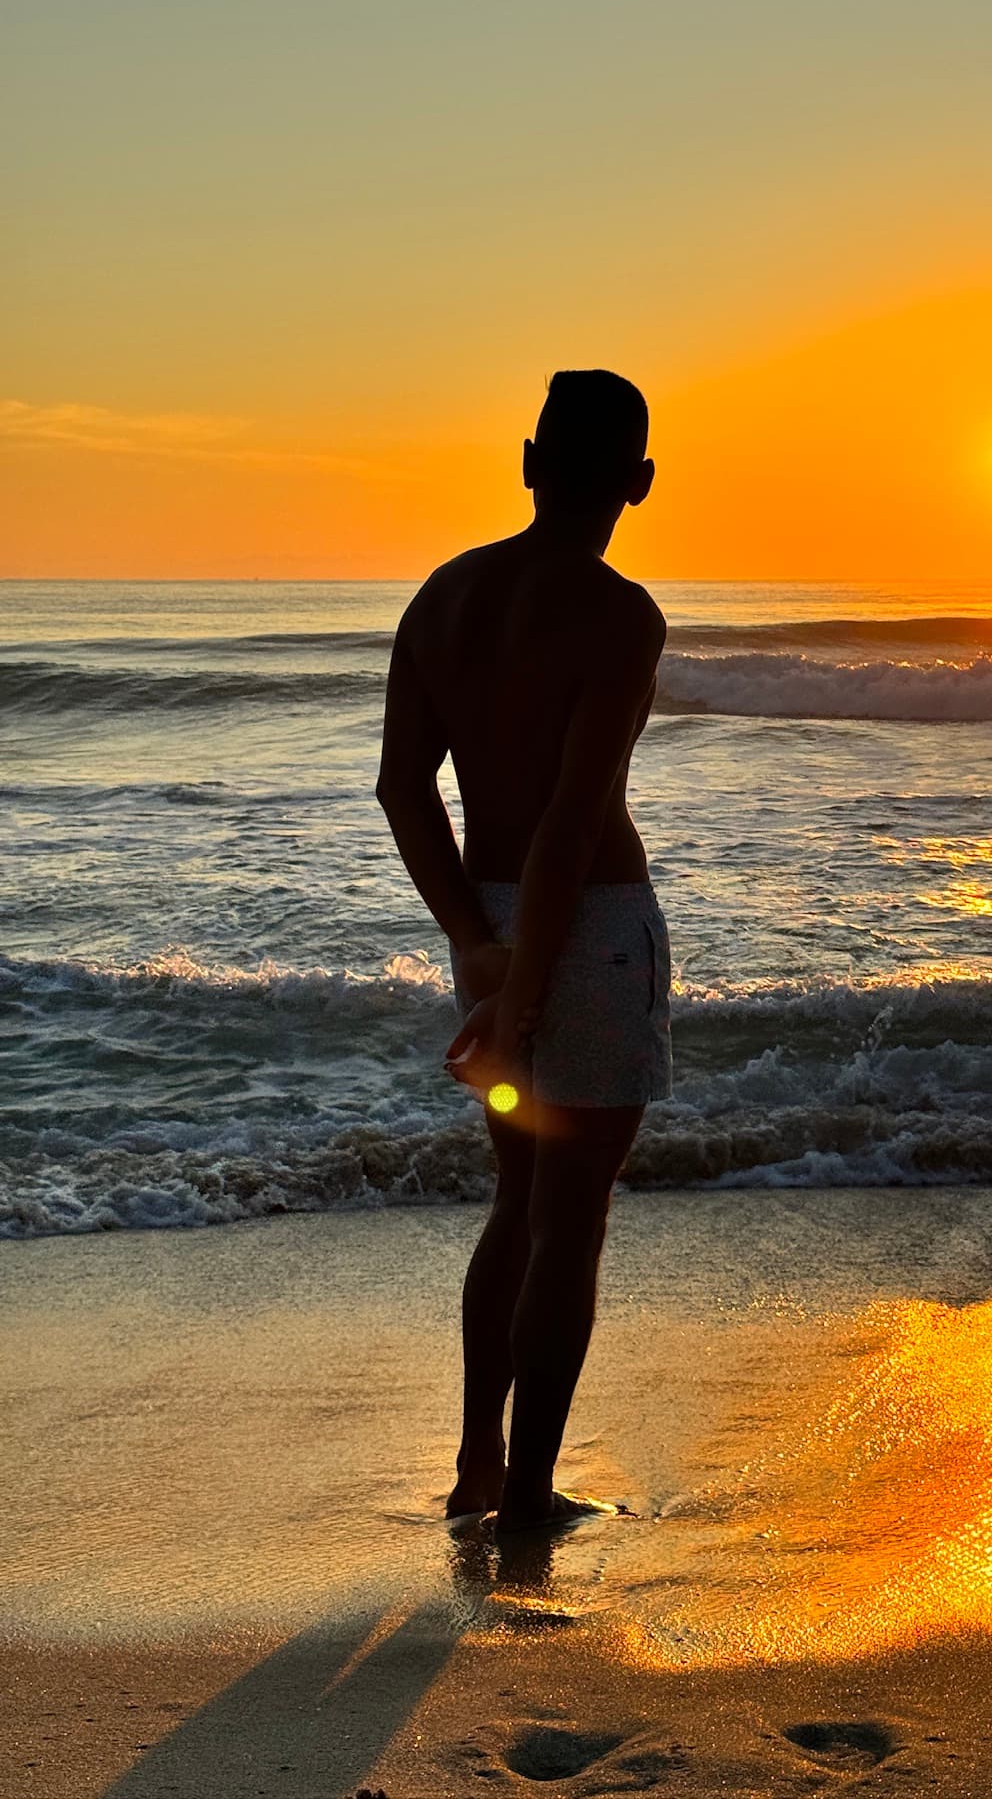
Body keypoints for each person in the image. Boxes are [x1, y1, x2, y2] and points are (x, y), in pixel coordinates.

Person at [375, 369, 669, 1531]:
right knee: (571, 1215)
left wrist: (480, 949)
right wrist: (531, 983)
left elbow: (405, 791)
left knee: (515, 1199)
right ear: (639, 483)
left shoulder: (443, 598)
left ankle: (475, 1467)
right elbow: (569, 826)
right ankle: (532, 1495)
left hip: (492, 922)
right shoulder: (617, 613)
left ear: (530, 460)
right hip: (586, 927)